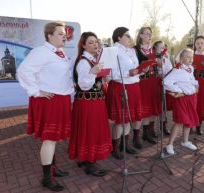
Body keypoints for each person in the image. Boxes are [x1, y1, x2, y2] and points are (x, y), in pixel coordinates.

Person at [17, 21, 73, 191]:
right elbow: (23, 71)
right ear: (50, 35)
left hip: (61, 98)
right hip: (49, 100)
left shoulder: (60, 52)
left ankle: (53, 169)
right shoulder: (41, 52)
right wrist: (35, 91)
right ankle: (47, 178)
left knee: (54, 139)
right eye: (61, 33)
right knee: (49, 140)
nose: (65, 36)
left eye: (64, 33)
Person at [67, 32, 112, 176]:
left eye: (96, 42)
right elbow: (83, 84)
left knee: (88, 130)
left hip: (93, 101)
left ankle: (84, 158)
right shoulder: (83, 62)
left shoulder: (92, 60)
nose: (95, 45)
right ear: (84, 45)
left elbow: (98, 80)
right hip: (88, 103)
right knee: (90, 131)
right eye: (91, 42)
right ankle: (90, 163)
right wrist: (93, 72)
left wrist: (101, 73)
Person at [106, 27, 145, 159]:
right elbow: (109, 74)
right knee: (120, 120)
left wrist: (141, 70)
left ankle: (125, 144)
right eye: (127, 36)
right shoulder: (112, 51)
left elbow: (135, 68)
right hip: (119, 87)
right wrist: (128, 73)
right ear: (118, 37)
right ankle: (115, 147)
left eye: (129, 35)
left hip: (134, 86)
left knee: (128, 118)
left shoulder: (132, 51)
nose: (130, 38)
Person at [164, 48, 199, 155]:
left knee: (189, 120)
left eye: (192, 57)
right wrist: (179, 90)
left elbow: (190, 79)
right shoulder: (177, 70)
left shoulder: (191, 68)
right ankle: (169, 144)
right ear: (182, 58)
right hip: (182, 98)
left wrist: (195, 84)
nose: (190, 59)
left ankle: (185, 141)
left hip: (192, 97)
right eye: (188, 57)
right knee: (179, 121)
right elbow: (165, 82)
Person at [133, 26, 157, 149]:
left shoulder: (153, 49)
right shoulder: (135, 50)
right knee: (141, 110)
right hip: (141, 82)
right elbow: (132, 66)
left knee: (149, 109)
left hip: (152, 81)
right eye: (147, 34)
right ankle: (136, 136)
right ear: (141, 35)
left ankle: (146, 134)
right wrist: (142, 68)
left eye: (150, 34)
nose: (149, 36)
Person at [153, 40, 173, 136]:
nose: (162, 49)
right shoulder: (152, 57)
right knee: (154, 105)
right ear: (155, 48)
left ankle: (163, 125)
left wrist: (164, 67)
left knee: (163, 106)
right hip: (154, 84)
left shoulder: (166, 58)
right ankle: (150, 129)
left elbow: (170, 69)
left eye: (163, 47)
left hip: (164, 83)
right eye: (160, 47)